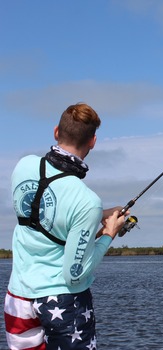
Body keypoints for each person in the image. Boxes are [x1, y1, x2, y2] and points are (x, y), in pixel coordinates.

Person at [4, 103, 129, 350]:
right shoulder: (86, 201)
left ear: (55, 132)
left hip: (17, 297)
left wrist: (99, 216)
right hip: (61, 302)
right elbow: (74, 275)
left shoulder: (24, 166)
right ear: (93, 142)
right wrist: (108, 234)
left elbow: (40, 213)